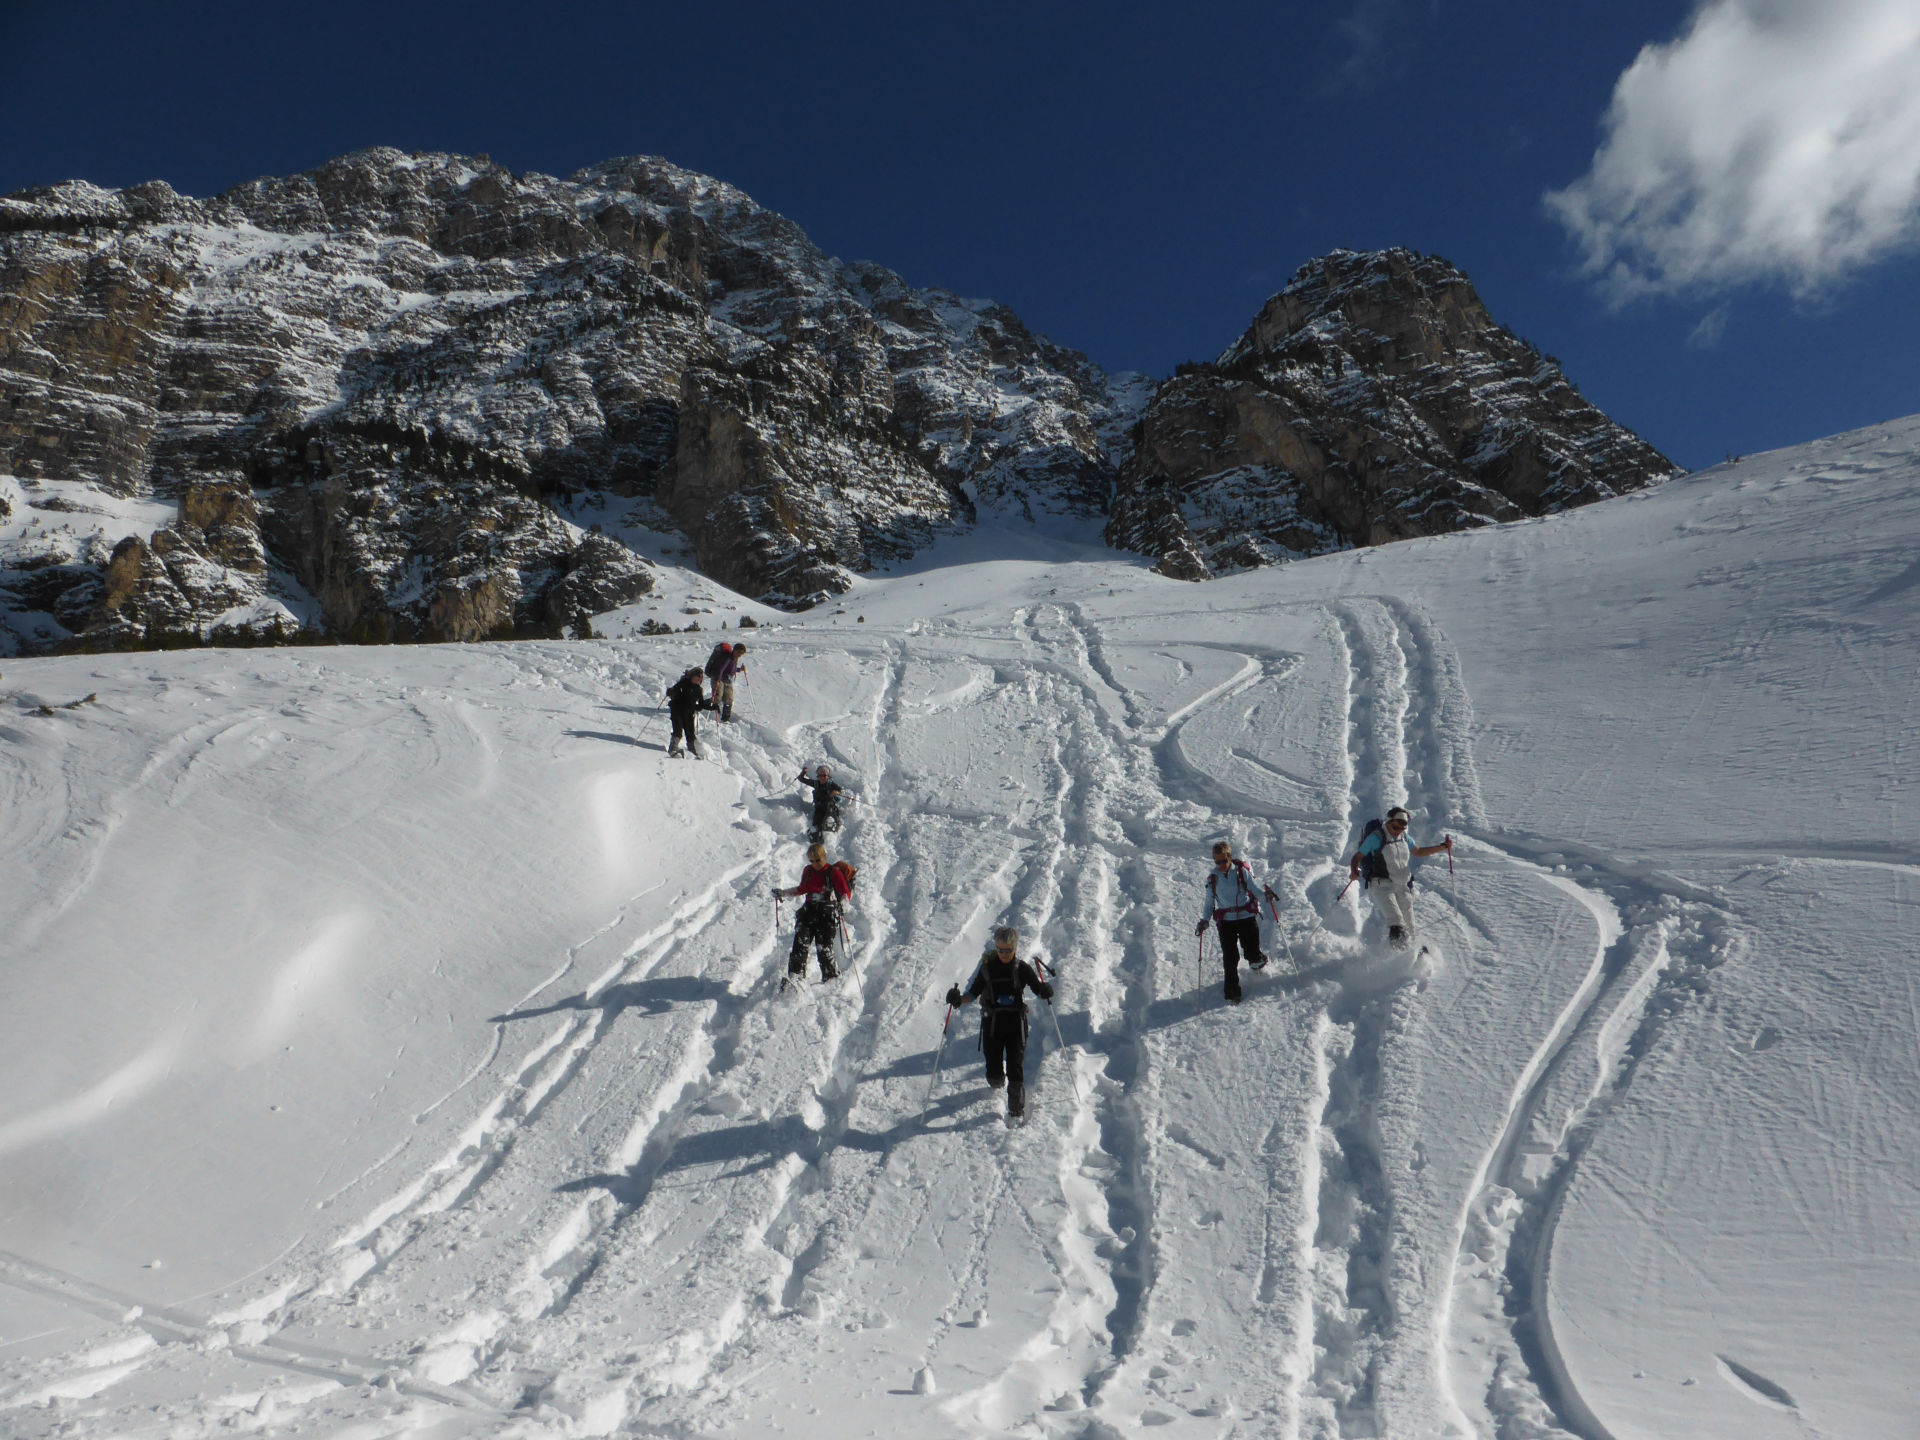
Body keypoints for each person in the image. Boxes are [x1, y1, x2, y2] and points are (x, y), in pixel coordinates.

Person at [945, 926, 1053, 1119]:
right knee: (993, 1072)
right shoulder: (988, 969)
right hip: (992, 1024)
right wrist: (958, 1000)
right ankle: (997, 1083)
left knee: (1015, 1067)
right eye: (999, 950)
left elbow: (1038, 989)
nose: (1003, 954)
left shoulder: (1021, 968)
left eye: (1007, 950)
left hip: (1015, 1024)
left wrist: (1045, 991)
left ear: (1015, 948)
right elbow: (973, 992)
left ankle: (1016, 1110)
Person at [1348, 806, 1452, 948]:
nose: (1401, 828)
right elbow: (1357, 856)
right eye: (1398, 824)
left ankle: (1416, 955)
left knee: (1410, 926)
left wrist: (1442, 847)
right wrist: (1354, 870)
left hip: (1402, 885)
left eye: (1404, 825)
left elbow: (1419, 851)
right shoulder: (1376, 838)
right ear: (1389, 821)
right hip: (1381, 886)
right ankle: (1398, 959)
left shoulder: (1404, 837)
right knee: (1396, 922)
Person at [1193, 840, 1281, 1003]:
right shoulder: (1213, 878)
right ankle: (1232, 992)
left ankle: (1258, 961)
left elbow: (1254, 889)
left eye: (1223, 860)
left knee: (1251, 953)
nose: (1221, 865)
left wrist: (1265, 895)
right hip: (1226, 923)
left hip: (1247, 917)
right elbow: (1209, 902)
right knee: (1230, 957)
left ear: (1229, 857)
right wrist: (1204, 920)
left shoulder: (1240, 872)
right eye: (1217, 861)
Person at [773, 842, 851, 983]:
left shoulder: (833, 872)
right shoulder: (808, 871)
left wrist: (842, 905)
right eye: (812, 860)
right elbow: (802, 889)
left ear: (824, 857)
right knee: (800, 945)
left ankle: (831, 980)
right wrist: (783, 893)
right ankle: (795, 979)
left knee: (824, 949)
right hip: (808, 912)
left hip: (827, 914)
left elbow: (845, 893)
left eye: (818, 860)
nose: (815, 863)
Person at [664, 667, 715, 758]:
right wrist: (670, 692)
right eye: (697, 676)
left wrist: (712, 707)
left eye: (701, 677)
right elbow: (673, 692)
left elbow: (701, 704)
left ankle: (692, 751)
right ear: (692, 676)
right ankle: (672, 749)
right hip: (677, 710)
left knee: (690, 732)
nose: (699, 678)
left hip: (689, 713)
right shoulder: (683, 684)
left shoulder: (699, 689)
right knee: (678, 730)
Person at [797, 765, 850, 841]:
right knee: (817, 821)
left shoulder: (831, 784)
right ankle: (816, 835)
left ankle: (831, 826)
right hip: (819, 807)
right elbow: (801, 779)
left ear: (828, 776)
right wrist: (803, 773)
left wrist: (836, 792)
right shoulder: (815, 783)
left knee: (829, 813)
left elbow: (840, 790)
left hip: (830, 807)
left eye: (824, 776)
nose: (822, 778)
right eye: (820, 775)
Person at [714, 642, 747, 722]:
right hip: (720, 679)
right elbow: (721, 669)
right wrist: (717, 680)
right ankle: (704, 706)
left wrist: (740, 669)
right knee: (718, 697)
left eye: (741, 654)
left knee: (729, 699)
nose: (740, 655)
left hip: (728, 680)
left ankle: (726, 718)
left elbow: (731, 670)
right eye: (739, 652)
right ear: (734, 650)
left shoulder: (734, 659)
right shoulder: (727, 658)